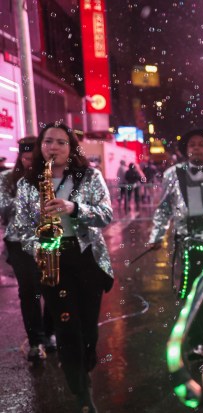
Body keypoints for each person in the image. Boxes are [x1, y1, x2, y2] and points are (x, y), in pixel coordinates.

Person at [13, 123, 114, 413]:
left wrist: (74, 209)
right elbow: (21, 228)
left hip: (86, 260)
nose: (53, 147)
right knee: (67, 329)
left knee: (87, 334)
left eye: (60, 142)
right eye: (47, 142)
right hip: (53, 260)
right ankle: (81, 392)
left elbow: (106, 214)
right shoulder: (27, 184)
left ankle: (83, 368)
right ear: (40, 146)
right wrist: (39, 246)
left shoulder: (90, 177)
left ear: (71, 148)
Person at [148, 129, 203, 358]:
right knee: (193, 292)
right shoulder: (173, 174)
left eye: (201, 144)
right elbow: (164, 208)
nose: (196, 148)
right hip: (190, 243)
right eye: (192, 144)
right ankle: (195, 341)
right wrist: (157, 236)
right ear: (186, 149)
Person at [0, 137, 55, 362]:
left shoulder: (50, 177)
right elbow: (2, 206)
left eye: (34, 159)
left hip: (47, 240)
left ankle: (50, 333)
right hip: (18, 242)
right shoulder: (6, 178)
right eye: (25, 159)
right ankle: (36, 341)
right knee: (29, 290)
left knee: (51, 287)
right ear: (20, 158)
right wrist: (25, 196)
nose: (29, 163)